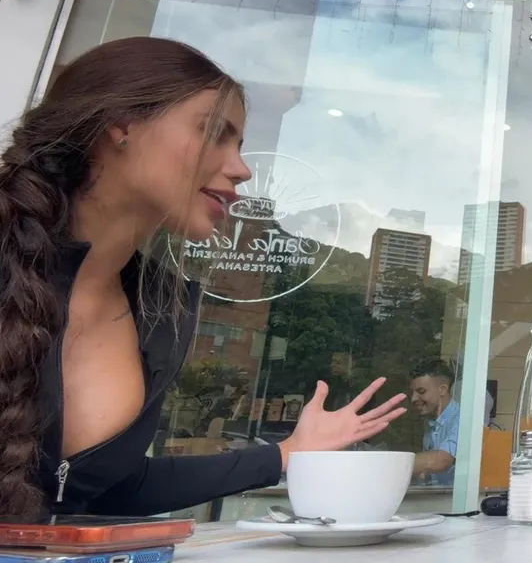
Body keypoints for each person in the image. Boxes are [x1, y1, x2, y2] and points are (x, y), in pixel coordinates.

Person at [0, 37, 406, 519]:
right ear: (122, 127)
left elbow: (105, 489)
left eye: (239, 145)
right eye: (214, 133)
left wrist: (285, 455)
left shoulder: (158, 309)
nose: (241, 169)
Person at [409, 359, 460, 485]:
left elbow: (442, 460)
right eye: (412, 393)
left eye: (421, 392)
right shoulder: (431, 421)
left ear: (443, 389)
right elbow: (427, 469)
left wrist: (389, 465)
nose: (413, 399)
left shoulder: (463, 419)